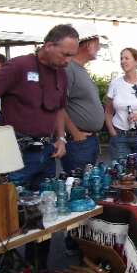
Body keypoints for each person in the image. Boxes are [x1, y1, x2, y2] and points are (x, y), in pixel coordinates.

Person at [0, 23, 78, 273]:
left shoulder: (61, 73)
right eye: (65, 54)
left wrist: (61, 138)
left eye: (72, 55)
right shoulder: (19, 66)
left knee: (43, 217)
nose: (68, 61)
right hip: (16, 155)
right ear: (48, 45)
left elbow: (59, 108)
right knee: (7, 220)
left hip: (46, 154)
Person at [61, 24, 105, 174]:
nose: (99, 48)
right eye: (97, 44)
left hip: (87, 141)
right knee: (78, 183)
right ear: (88, 44)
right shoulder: (68, 69)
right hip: (79, 143)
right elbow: (58, 106)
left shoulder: (79, 68)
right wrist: (75, 133)